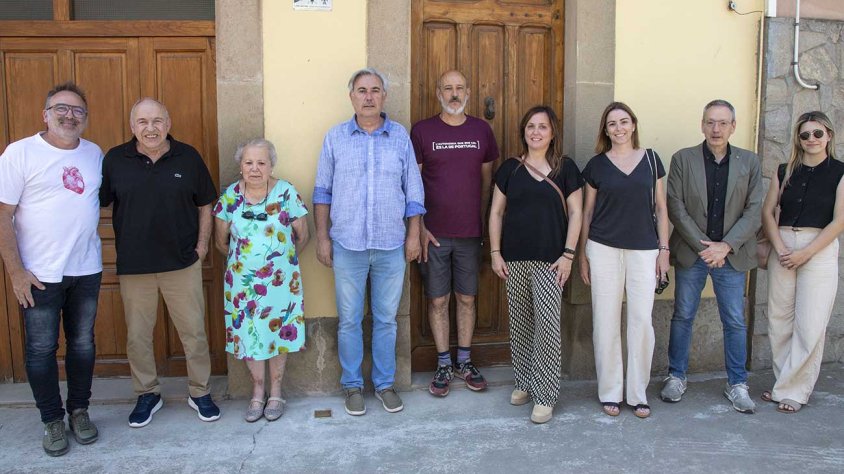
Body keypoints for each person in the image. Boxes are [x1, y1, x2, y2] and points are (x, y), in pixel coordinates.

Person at [100, 98, 220, 427]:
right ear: (132, 126)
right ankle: (147, 393)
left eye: (156, 121)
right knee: (138, 336)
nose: (150, 128)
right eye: (142, 122)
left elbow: (206, 204)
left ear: (167, 123)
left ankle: (200, 391)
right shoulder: (114, 160)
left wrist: (201, 246)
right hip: (134, 266)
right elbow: (95, 203)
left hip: (182, 262)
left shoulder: (189, 157)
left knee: (194, 333)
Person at [313, 67, 425, 416]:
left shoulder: (400, 136)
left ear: (384, 97)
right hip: (347, 243)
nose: (368, 97)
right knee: (348, 320)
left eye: (375, 90)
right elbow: (322, 192)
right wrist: (322, 238)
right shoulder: (335, 138)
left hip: (391, 243)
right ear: (351, 97)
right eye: (361, 90)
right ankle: (351, 385)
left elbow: (414, 191)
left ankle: (385, 384)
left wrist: (414, 234)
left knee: (386, 319)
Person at [0, 82, 102, 456]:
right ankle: (52, 420)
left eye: (77, 111)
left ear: (85, 119)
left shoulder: (94, 154)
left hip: (86, 268)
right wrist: (15, 272)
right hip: (39, 273)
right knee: (42, 349)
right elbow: (2, 214)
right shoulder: (20, 153)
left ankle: (79, 411)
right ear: (45, 114)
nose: (69, 116)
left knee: (82, 344)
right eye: (61, 108)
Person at [662, 99, 762, 414]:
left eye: (722, 122)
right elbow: (675, 206)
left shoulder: (750, 162)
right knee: (683, 316)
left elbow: (754, 210)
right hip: (694, 253)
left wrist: (726, 246)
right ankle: (676, 376)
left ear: (733, 126)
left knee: (733, 320)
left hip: (731, 256)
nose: (716, 129)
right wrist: (706, 247)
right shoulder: (682, 159)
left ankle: (737, 383)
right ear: (702, 124)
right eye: (710, 122)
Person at [489, 105, 583, 424]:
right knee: (521, 323)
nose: (536, 132)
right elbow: (496, 213)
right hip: (514, 259)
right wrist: (495, 253)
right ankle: (525, 381)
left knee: (546, 326)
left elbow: (576, 214)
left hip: (551, 261)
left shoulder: (565, 168)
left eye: (543, 127)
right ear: (523, 131)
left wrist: (568, 255)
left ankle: (546, 393)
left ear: (552, 132)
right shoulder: (510, 169)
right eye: (531, 126)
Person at [578, 102, 670, 419]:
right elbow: (587, 212)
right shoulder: (596, 166)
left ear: (633, 125)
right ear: (605, 130)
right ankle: (611, 391)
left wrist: (664, 250)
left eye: (624, 122)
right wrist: (582, 256)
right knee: (605, 321)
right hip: (602, 247)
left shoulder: (652, 160)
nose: (619, 128)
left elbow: (661, 207)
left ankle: (637, 392)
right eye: (612, 124)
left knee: (641, 321)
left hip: (644, 250)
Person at [410, 69, 498, 396]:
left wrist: (487, 225)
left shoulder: (482, 130)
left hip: (470, 233)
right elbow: (412, 185)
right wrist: (418, 227)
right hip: (433, 234)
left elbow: (488, 182)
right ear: (438, 93)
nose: (454, 94)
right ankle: (443, 363)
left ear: (469, 92)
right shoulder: (422, 131)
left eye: (460, 88)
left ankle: (464, 360)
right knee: (437, 300)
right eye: (448, 88)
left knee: (466, 298)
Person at [213, 139, 309, 422]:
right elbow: (221, 243)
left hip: (281, 283)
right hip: (242, 285)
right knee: (249, 335)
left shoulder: (286, 192)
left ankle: (276, 391)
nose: (255, 169)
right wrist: (246, 264)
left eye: (261, 163)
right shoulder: (230, 197)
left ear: (271, 165)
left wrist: (282, 262)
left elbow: (303, 236)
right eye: (248, 163)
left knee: (278, 333)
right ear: (240, 165)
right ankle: (257, 392)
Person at [761, 111, 844, 414]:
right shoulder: (784, 171)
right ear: (798, 138)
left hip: (818, 248)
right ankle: (784, 382)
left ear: (829, 136)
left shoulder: (840, 172)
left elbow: (840, 221)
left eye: (817, 134)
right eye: (805, 134)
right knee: (779, 320)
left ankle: (795, 390)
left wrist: (806, 253)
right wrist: (781, 246)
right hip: (783, 244)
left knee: (810, 324)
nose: (811, 140)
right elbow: (768, 212)